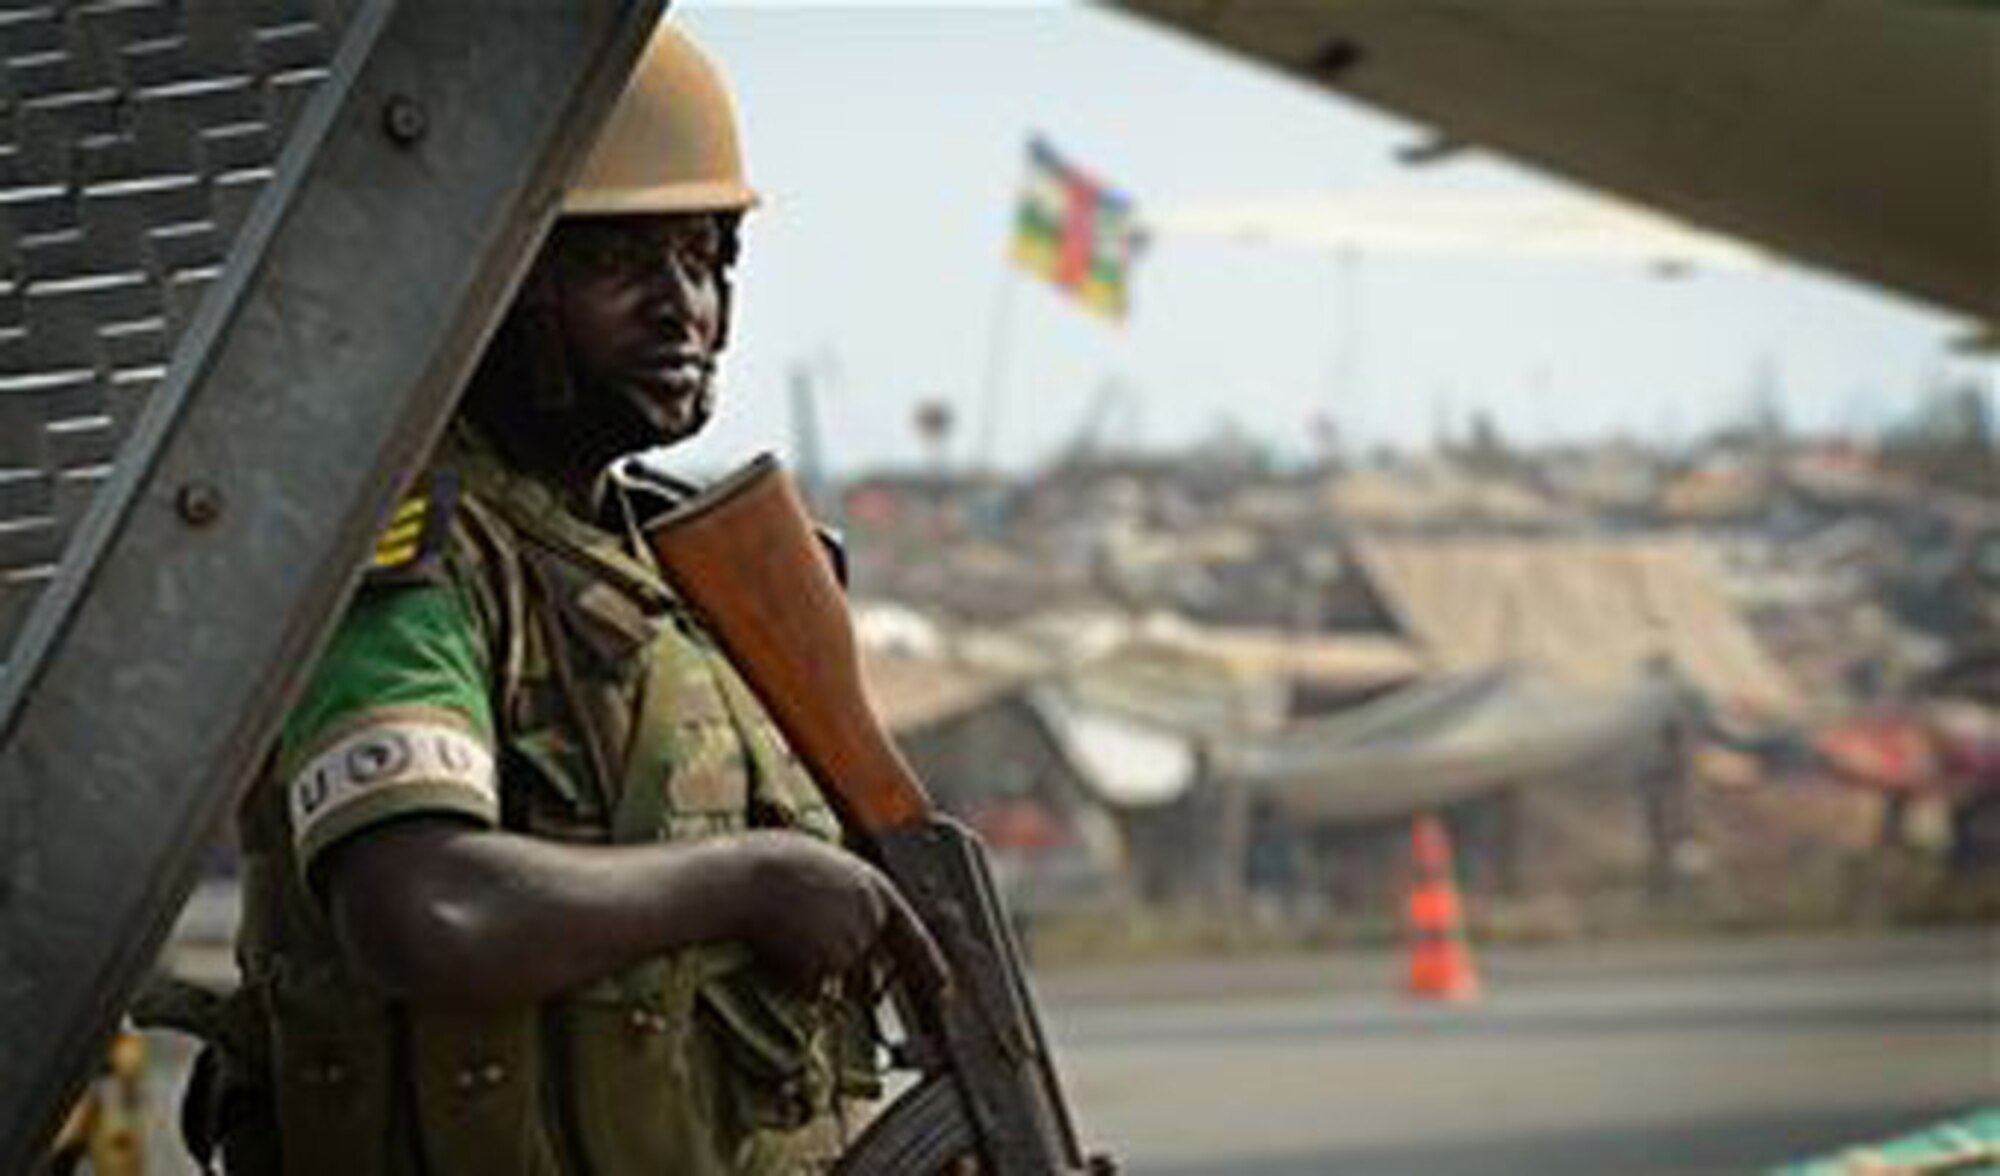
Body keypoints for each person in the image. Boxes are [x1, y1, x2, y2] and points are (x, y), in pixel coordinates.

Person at [203, 22, 947, 1176]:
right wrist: (754, 881)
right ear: (494, 284)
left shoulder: (687, 566)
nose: (680, 308)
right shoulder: (420, 563)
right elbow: (421, 905)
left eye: (701, 258)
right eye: (618, 263)